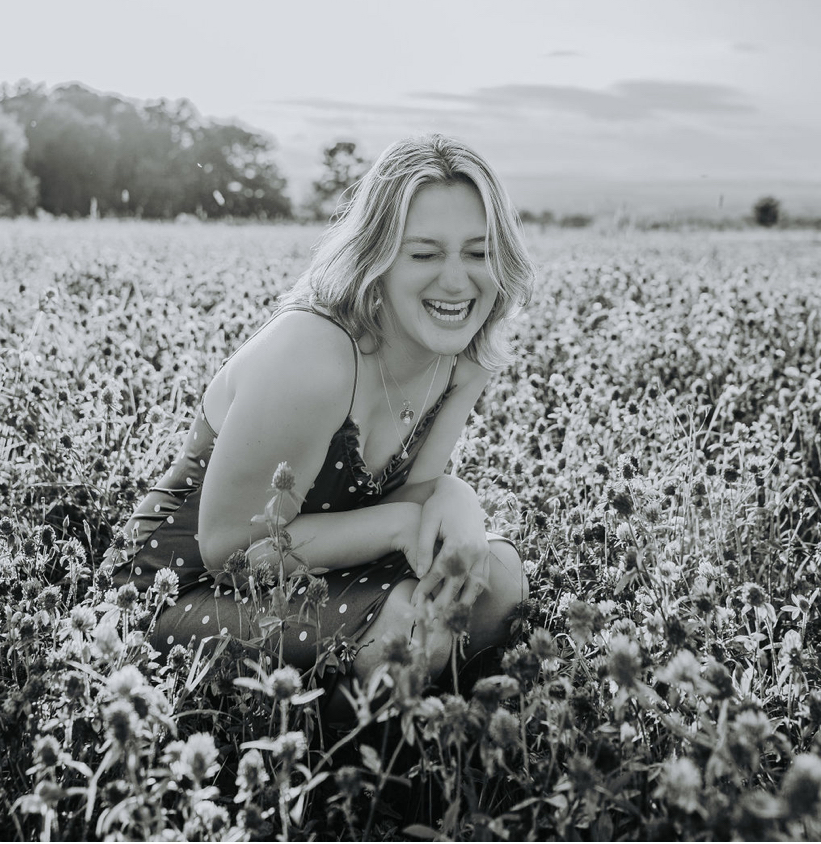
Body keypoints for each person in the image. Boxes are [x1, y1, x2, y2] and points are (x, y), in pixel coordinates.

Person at [102, 133, 536, 695]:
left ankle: (439, 739)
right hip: (171, 590)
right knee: (406, 634)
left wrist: (456, 496)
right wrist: (404, 525)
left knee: (495, 578)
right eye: (425, 254)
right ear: (376, 258)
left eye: (478, 253)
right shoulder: (315, 354)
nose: (456, 282)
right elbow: (234, 551)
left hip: (306, 571)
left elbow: (414, 489)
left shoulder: (464, 358)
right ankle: (338, 763)